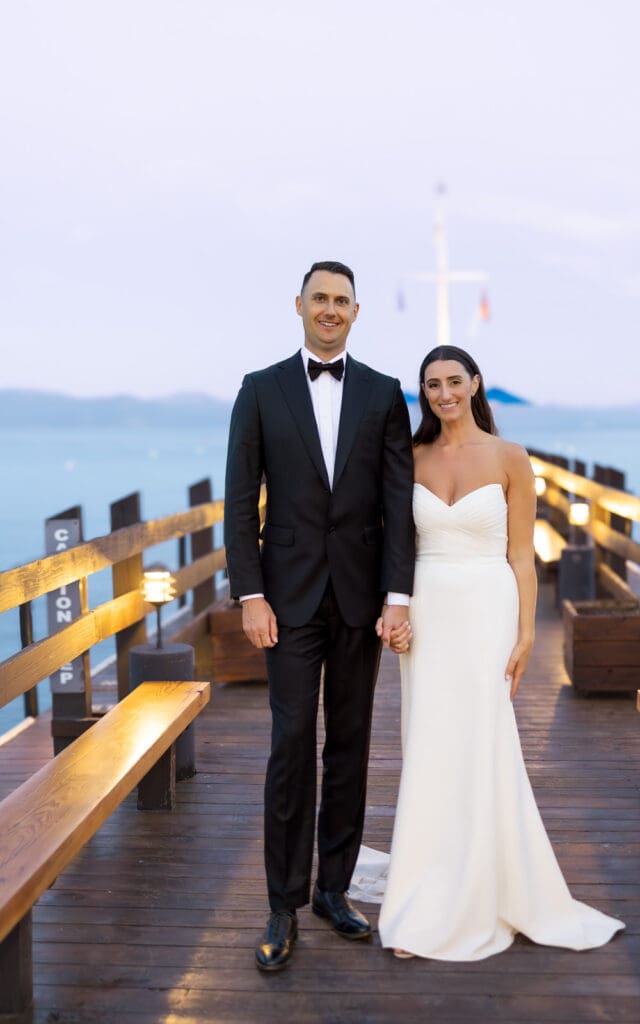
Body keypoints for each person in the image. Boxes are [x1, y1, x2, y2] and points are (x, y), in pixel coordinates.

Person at [371, 345, 624, 960]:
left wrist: (528, 633)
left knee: (483, 738)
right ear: (423, 393)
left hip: (487, 607)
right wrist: (393, 607)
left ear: (475, 383)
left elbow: (520, 556)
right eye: (431, 384)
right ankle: (426, 892)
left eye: (454, 381)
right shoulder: (410, 455)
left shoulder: (511, 458)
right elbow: (393, 544)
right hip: (429, 607)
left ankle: (484, 885)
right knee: (429, 742)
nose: (443, 393)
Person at [224, 261, 416, 972]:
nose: (330, 310)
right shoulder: (260, 390)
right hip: (288, 598)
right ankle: (282, 903)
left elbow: (398, 504)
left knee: (352, 744)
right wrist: (250, 593)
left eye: (342, 301)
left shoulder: (384, 394)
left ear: (357, 312)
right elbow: (241, 501)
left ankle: (334, 889)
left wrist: (399, 596)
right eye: (320, 299)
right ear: (298, 306)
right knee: (292, 741)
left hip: (362, 600)